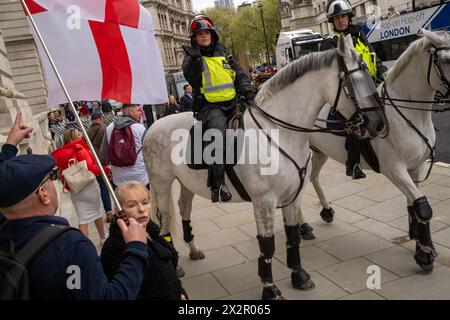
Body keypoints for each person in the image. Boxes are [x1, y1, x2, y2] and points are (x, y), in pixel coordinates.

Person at [0, 155, 149, 299]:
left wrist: (9, 148)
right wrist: (136, 248)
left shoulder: (4, 235)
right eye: (52, 177)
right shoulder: (71, 248)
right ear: (43, 194)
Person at [182, 15, 255, 202]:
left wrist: (246, 86)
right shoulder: (192, 57)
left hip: (233, 102)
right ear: (195, 38)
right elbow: (192, 77)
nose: (203, 36)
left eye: (206, 33)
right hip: (211, 107)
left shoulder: (224, 52)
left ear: (212, 35)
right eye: (199, 34)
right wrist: (196, 60)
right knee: (217, 137)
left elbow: (238, 72)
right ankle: (217, 184)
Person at [321, 0, 386, 180]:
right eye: (336, 18)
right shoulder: (330, 42)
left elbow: (373, 55)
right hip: (348, 90)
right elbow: (328, 74)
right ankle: (353, 164)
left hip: (371, 82)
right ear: (332, 22)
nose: (341, 20)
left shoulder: (359, 35)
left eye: (343, 16)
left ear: (349, 17)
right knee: (355, 120)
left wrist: (383, 72)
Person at [101, 181, 188, 300]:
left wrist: (180, 293)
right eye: (132, 205)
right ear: (118, 211)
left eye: (145, 202)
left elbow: (169, 269)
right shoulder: (113, 247)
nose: (141, 209)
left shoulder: (152, 230)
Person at [52, 128, 108, 245]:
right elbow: (91, 168)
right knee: (97, 213)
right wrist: (106, 170)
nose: (81, 135)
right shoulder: (79, 149)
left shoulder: (61, 153)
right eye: (79, 134)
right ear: (74, 138)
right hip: (89, 186)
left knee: (83, 218)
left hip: (75, 189)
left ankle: (85, 244)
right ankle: (102, 237)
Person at [100, 104, 149, 189]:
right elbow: (150, 154)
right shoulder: (140, 128)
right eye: (138, 110)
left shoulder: (109, 128)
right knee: (144, 201)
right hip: (141, 179)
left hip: (119, 180)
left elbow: (103, 156)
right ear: (130, 112)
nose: (141, 113)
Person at [87, 111, 113, 222]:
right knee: (105, 187)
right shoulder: (104, 130)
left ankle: (96, 214)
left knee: (96, 188)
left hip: (90, 163)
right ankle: (109, 213)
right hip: (102, 163)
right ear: (100, 119)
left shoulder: (86, 132)